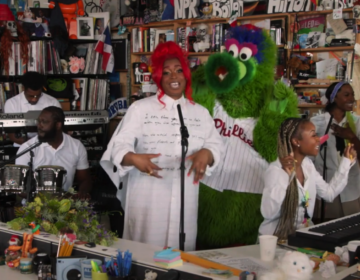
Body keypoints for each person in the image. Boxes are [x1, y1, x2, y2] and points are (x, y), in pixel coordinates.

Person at [100, 41, 224, 250]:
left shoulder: (200, 112)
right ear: (158, 77)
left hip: (186, 200)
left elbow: (217, 145)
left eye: (178, 71)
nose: (173, 77)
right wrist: (134, 158)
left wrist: (207, 153)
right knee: (145, 256)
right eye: (166, 73)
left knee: (181, 257)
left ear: (186, 74)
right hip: (148, 197)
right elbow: (119, 145)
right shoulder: (140, 109)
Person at [259, 118, 356, 240]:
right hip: (275, 241)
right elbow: (269, 212)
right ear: (296, 141)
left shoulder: (308, 166)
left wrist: (346, 162)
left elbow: (329, 193)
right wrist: (285, 177)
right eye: (313, 135)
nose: (318, 139)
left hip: (301, 238)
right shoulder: (276, 170)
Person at [15, 106, 92, 199]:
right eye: (38, 121)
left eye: (44, 122)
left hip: (66, 205)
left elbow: (84, 179)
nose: (39, 125)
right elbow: (18, 186)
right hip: (35, 206)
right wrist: (46, 197)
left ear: (58, 125)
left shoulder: (76, 146)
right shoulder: (27, 148)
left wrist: (82, 193)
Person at [311, 82, 360, 218]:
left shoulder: (357, 123)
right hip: (325, 187)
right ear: (334, 98)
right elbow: (308, 158)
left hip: (351, 190)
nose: (352, 99)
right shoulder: (317, 123)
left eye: (352, 95)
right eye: (346, 95)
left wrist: (351, 137)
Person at [4, 72, 61, 146]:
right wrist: (35, 144)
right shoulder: (11, 103)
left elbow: (58, 130)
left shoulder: (53, 102)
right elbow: (12, 136)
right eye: (30, 96)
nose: (34, 99)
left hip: (48, 146)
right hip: (22, 147)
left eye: (38, 95)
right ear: (23, 88)